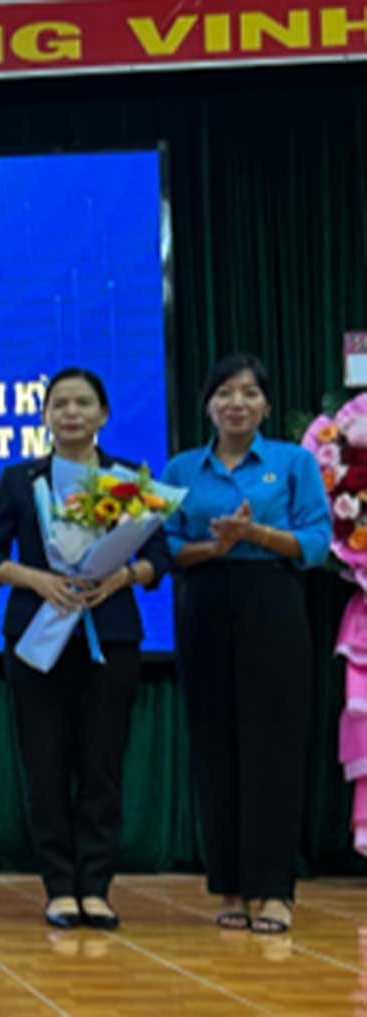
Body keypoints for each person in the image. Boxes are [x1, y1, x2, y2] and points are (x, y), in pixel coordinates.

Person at [0, 367, 170, 931]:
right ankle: (59, 887)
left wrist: (122, 575)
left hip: (110, 636)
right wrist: (39, 581)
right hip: (37, 638)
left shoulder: (129, 478)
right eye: (60, 404)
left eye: (83, 403)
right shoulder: (21, 479)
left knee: (102, 765)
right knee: (45, 764)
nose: (72, 413)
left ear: (104, 414)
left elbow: (159, 556)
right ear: (45, 415)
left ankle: (97, 888)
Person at [162, 353, 327, 936]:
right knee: (215, 746)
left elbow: (316, 541)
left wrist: (254, 534)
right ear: (207, 404)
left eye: (250, 393)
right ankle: (231, 886)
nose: (237, 403)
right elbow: (166, 548)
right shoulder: (182, 468)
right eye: (225, 393)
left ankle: (274, 889)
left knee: (274, 746)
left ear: (266, 405)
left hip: (273, 605)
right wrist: (216, 547)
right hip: (204, 604)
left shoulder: (293, 462)